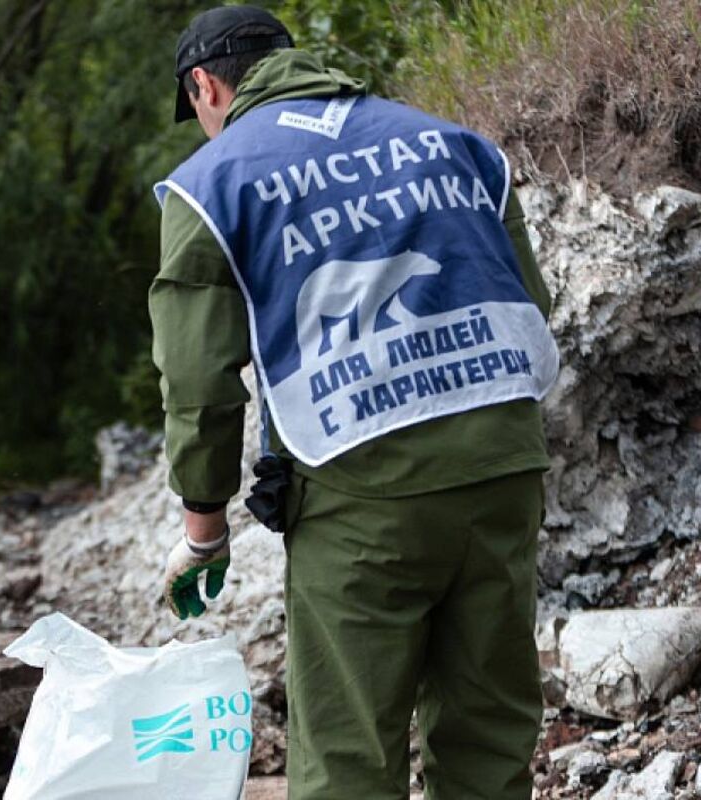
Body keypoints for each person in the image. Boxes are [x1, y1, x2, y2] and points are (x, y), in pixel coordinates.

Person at [153, 7, 559, 799]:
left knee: (347, 754)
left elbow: (198, 380)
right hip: (503, 466)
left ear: (205, 85)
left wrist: (204, 530)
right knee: (490, 730)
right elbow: (528, 302)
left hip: (362, 494)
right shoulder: (450, 140)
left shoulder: (211, 183)